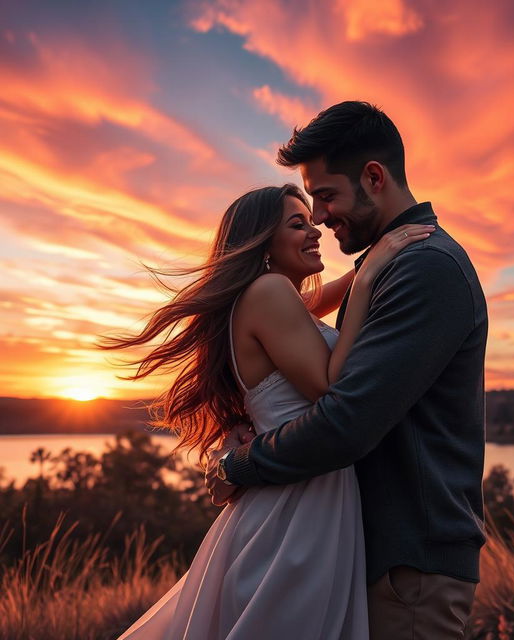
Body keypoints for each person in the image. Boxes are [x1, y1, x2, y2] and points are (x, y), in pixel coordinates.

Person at [206, 101, 489, 640]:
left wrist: (237, 465)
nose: (318, 215)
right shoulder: (390, 265)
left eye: (325, 195)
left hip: (410, 564)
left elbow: (345, 421)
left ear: (374, 178)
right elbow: (292, 329)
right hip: (367, 552)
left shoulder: (423, 267)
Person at [101, 183, 433, 639]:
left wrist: (364, 267)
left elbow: (315, 306)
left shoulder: (270, 299)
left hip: (296, 499)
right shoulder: (271, 291)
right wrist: (370, 278)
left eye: (310, 220)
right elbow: (332, 387)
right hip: (293, 512)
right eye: (297, 224)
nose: (315, 227)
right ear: (262, 243)